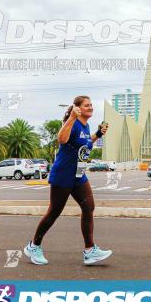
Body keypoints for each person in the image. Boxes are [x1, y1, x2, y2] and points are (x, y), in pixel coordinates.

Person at [24, 95, 112, 265]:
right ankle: (34, 246)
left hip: (78, 175)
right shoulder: (73, 123)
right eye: (87, 105)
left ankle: (90, 250)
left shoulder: (85, 127)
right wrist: (71, 118)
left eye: (91, 105)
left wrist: (98, 134)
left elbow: (84, 143)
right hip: (63, 174)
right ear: (77, 108)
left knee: (89, 207)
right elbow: (62, 139)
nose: (91, 107)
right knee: (54, 212)